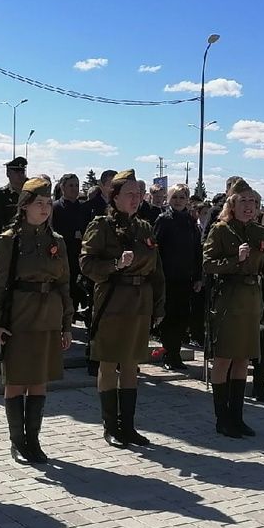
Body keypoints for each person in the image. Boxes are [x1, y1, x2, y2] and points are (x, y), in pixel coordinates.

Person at [0, 177, 73, 462]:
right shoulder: (9, 240)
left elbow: (64, 284)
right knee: (16, 381)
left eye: (48, 203)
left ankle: (33, 440)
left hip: (49, 316)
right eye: (39, 203)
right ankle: (17, 440)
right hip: (20, 317)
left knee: (39, 381)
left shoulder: (56, 241)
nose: (45, 208)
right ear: (24, 207)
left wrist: (66, 324)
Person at [80, 169, 164, 448]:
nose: (135, 198)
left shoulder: (144, 227)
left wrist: (159, 305)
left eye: (138, 194)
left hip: (140, 302)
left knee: (131, 363)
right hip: (113, 301)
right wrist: (115, 265)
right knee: (108, 361)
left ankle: (128, 426)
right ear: (113, 196)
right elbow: (86, 265)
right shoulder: (100, 226)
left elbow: (157, 270)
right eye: (129, 194)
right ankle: (110, 426)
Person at [203, 179, 264, 437]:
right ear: (232, 204)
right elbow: (208, 264)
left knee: (243, 359)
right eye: (243, 201)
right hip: (229, 299)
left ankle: (237, 417)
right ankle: (222, 419)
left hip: (252, 300)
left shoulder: (259, 232)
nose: (249, 206)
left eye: (253, 202)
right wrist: (235, 260)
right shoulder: (220, 230)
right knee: (224, 359)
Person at [154, 183, 202, 372]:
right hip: (168, 277)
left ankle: (175, 354)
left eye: (182, 197)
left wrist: (198, 276)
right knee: (168, 318)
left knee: (182, 317)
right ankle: (169, 354)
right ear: (169, 199)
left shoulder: (191, 221)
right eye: (175, 197)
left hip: (186, 277)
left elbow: (197, 251)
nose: (179, 201)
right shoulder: (163, 219)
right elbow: (156, 249)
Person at [51, 173, 91, 320]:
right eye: (71, 186)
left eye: (76, 185)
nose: (74, 189)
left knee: (77, 287)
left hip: (80, 254)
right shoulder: (55, 208)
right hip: (63, 254)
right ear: (62, 188)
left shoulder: (84, 208)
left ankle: (73, 313)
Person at [0, 156, 28, 231]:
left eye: (22, 172)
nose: (20, 175)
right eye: (17, 172)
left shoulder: (33, 192)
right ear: (8, 173)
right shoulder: (1, 195)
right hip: (10, 237)